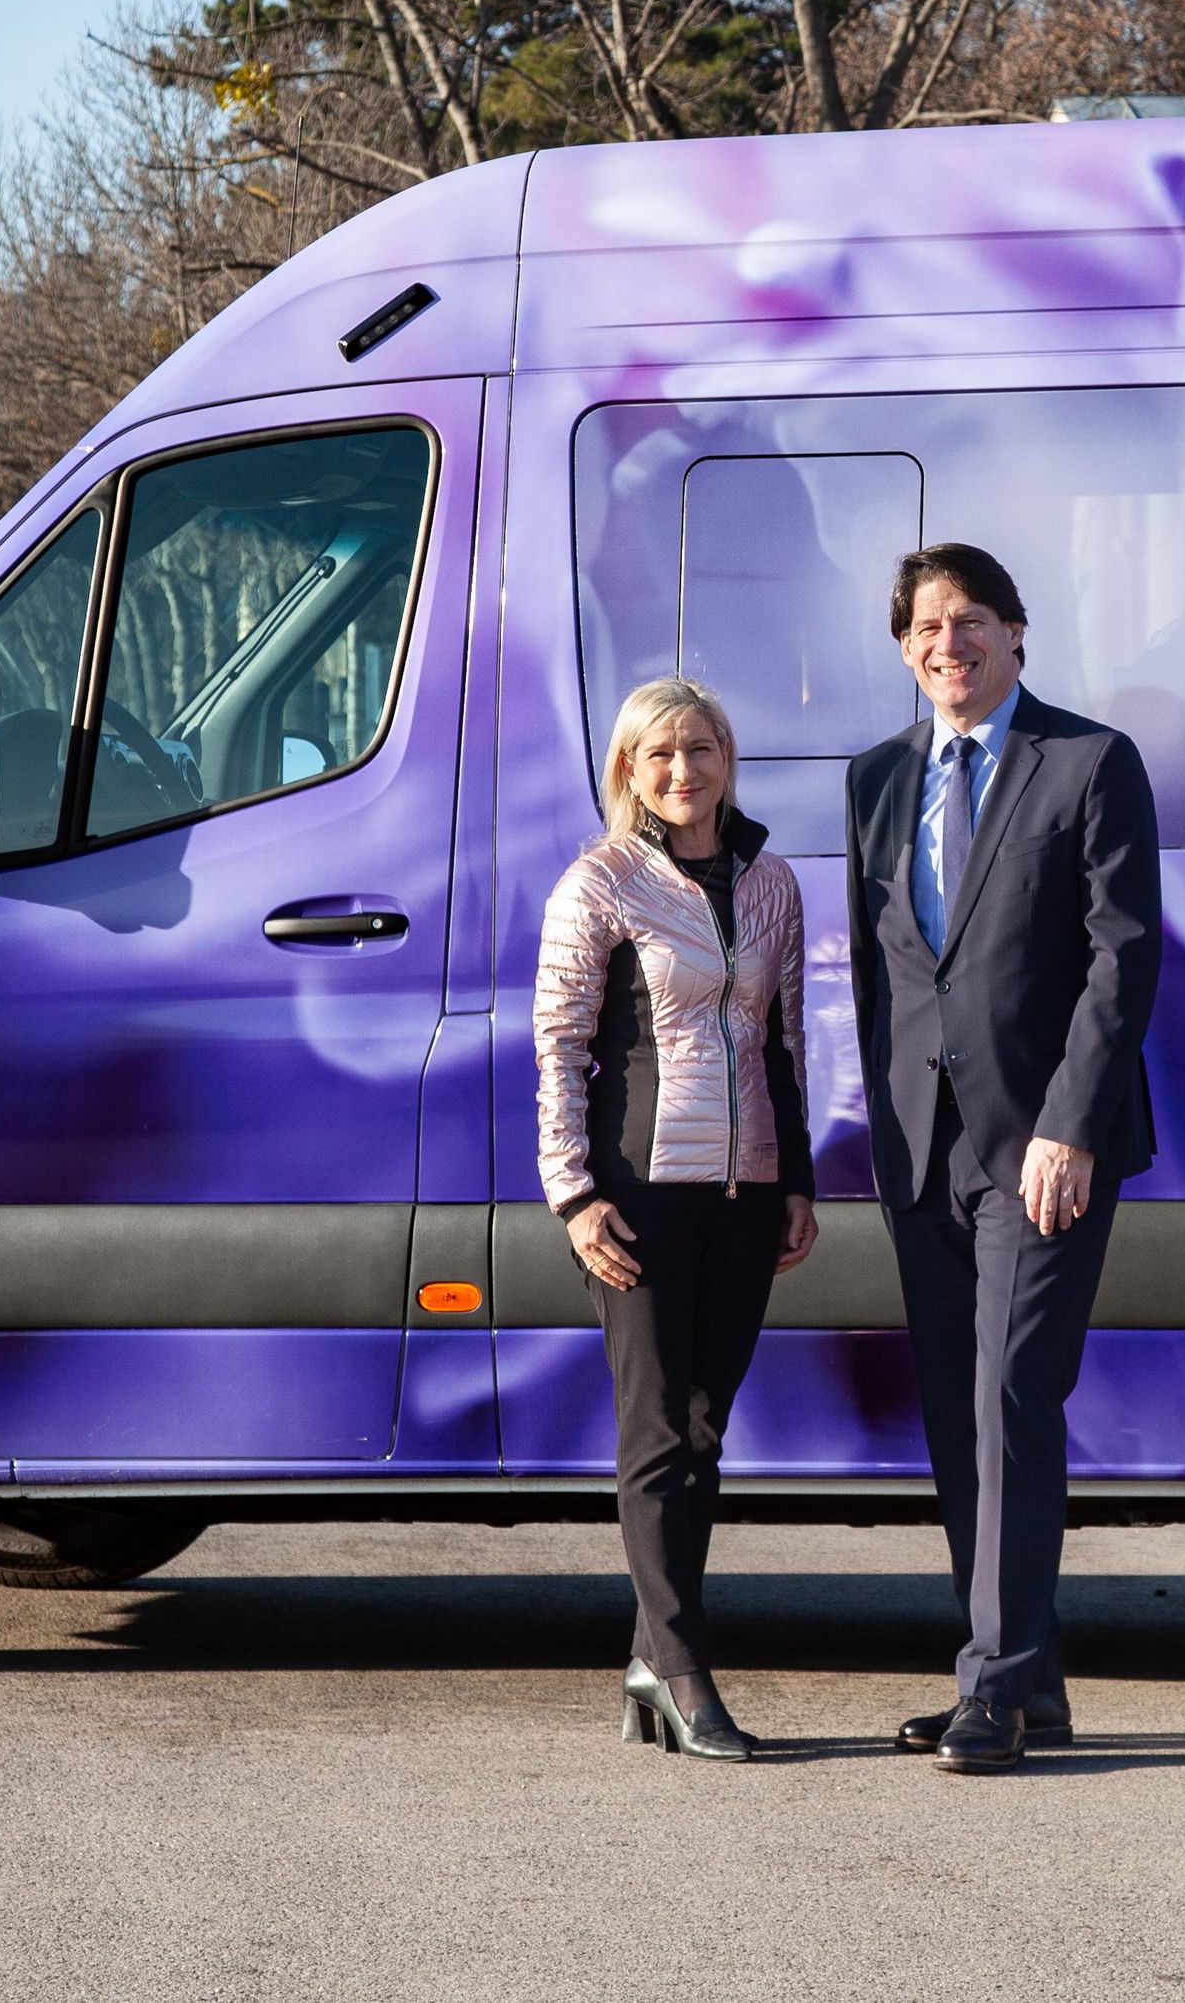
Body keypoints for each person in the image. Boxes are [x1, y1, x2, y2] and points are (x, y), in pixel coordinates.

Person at [843, 542, 1162, 1774]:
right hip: (922, 1151)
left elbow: (1120, 956)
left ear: (1017, 635)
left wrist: (1072, 1124)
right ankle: (1030, 1675)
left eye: (970, 621)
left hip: (1043, 1147)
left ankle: (990, 1686)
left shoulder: (1087, 762)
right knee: (955, 1417)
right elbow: (884, 974)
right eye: (925, 627)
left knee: (1011, 1398)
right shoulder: (876, 778)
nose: (948, 644)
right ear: (903, 649)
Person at [535, 675, 819, 1761]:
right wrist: (574, 1195)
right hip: (640, 1198)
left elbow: (786, 1043)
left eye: (700, 748)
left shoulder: (772, 883)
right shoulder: (599, 883)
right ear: (627, 770)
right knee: (656, 1431)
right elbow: (559, 1049)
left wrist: (798, 1181)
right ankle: (683, 1668)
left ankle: (653, 1655)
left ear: (726, 758)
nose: (682, 771)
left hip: (745, 1195)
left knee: (705, 1430)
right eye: (658, 754)